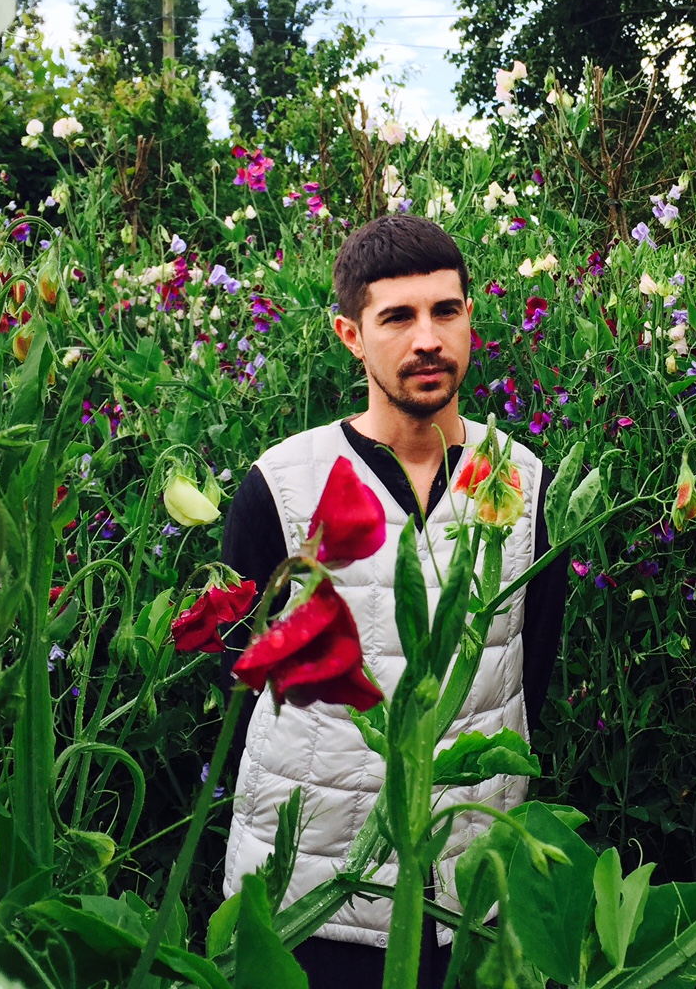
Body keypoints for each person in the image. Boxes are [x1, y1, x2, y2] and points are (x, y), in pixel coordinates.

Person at [217, 214, 567, 987]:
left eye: (446, 311)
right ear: (350, 333)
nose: (428, 339)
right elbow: (240, 678)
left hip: (472, 888)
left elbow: (528, 667)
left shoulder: (519, 475)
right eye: (398, 318)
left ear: (471, 317)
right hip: (311, 893)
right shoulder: (282, 483)